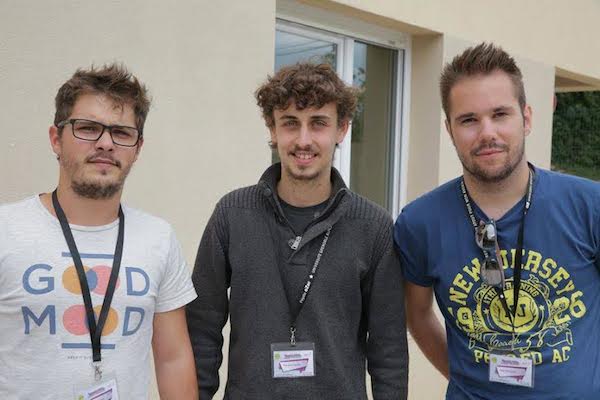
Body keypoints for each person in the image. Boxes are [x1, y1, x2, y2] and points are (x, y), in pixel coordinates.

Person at [187, 62, 408, 399]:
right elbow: (202, 332)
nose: (303, 140)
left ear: (342, 129)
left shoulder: (373, 227)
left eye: (318, 124)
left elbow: (388, 349)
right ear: (272, 130)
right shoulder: (232, 215)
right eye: (290, 124)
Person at [395, 42, 600, 399]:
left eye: (500, 114)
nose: (487, 132)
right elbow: (419, 316)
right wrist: (469, 380)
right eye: (469, 120)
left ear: (528, 117)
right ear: (449, 130)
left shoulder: (588, 205)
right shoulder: (419, 222)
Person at [0, 64, 198, 399]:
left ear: (137, 148)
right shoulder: (6, 230)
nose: (106, 143)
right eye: (88, 128)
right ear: (55, 139)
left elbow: (172, 359)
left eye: (121, 133)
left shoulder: (159, 238)